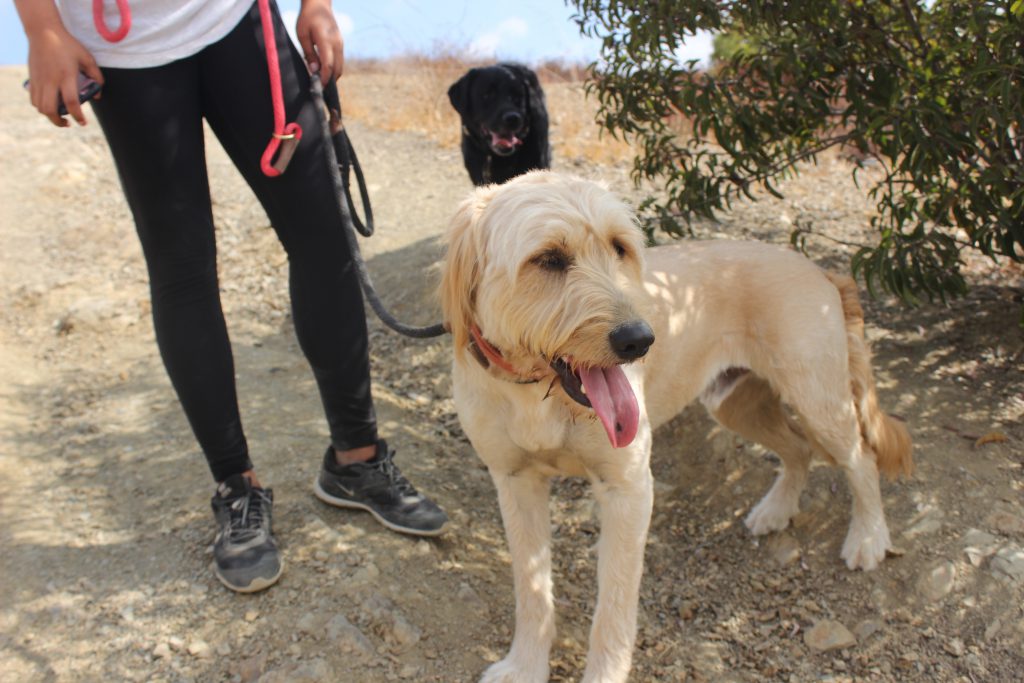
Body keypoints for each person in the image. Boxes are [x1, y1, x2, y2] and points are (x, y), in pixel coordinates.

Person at [15, 0, 448, 593]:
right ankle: (236, 489)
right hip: (125, 49)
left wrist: (316, 4)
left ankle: (357, 460)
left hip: (236, 21)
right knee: (184, 270)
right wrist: (42, 29)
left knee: (324, 235)